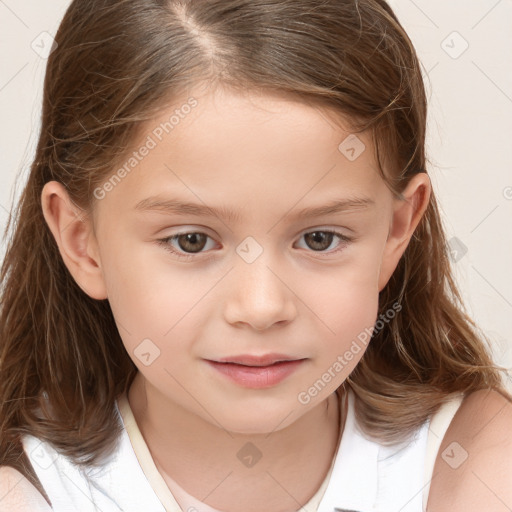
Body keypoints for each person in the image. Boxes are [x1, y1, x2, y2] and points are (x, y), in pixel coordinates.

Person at [1, 0, 511, 511]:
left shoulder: (474, 464)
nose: (262, 307)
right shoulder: (26, 494)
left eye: (319, 239)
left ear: (396, 231)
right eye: (191, 241)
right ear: (81, 242)